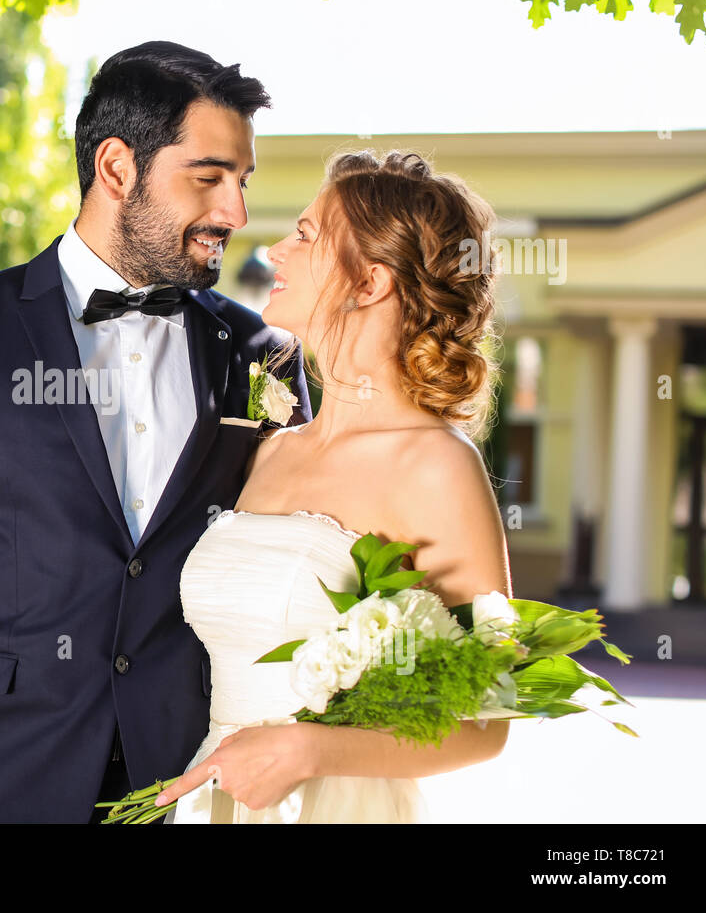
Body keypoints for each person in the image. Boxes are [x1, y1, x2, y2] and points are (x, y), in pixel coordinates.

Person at [0, 41, 310, 822]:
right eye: (209, 177)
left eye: (242, 181)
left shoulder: (260, 355)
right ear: (117, 167)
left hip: (193, 790)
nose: (233, 212)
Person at [157, 150, 514, 823]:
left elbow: (487, 721)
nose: (275, 251)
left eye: (306, 235)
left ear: (370, 282)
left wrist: (308, 751)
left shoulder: (437, 465)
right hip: (215, 802)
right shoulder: (267, 449)